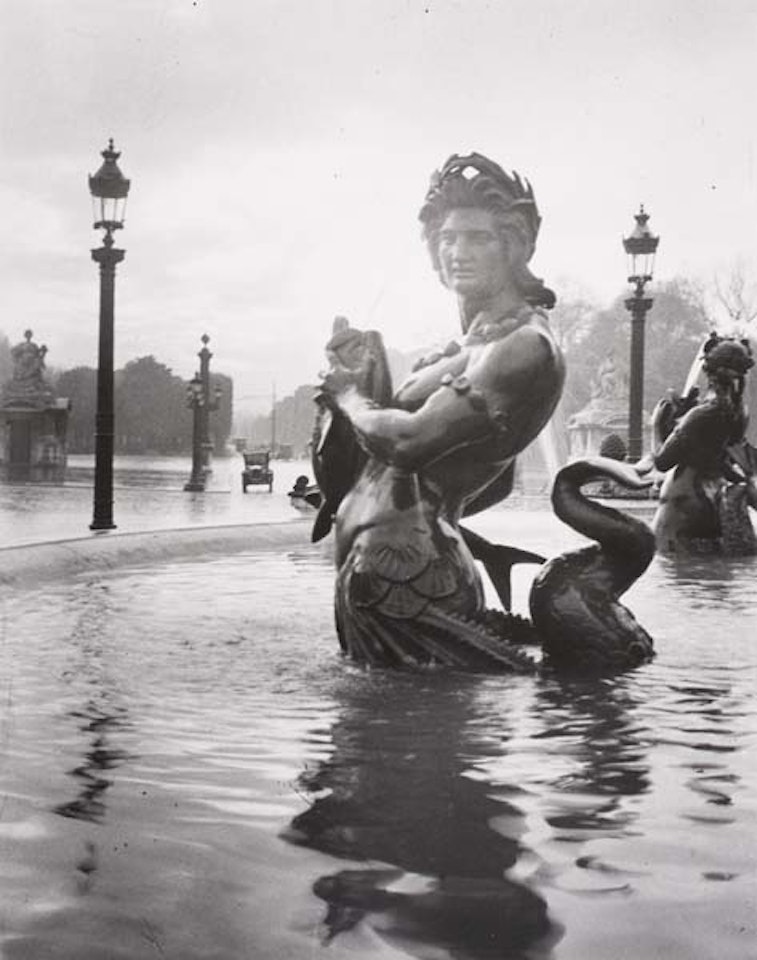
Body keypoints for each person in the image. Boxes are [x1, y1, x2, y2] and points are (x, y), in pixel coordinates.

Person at [315, 153, 565, 669]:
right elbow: (356, 477)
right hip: (386, 572)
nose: (458, 252)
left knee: (403, 740)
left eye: (478, 238)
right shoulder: (462, 350)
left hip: (408, 578)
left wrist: (350, 398)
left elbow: (407, 444)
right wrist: (362, 386)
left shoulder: (523, 346)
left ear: (515, 246)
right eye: (448, 239)